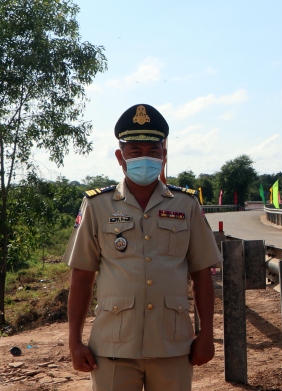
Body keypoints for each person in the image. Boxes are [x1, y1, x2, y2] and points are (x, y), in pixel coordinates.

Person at [64, 103, 222, 391]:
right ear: (120, 156)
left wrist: (206, 334)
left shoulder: (185, 204)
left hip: (173, 344)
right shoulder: (97, 205)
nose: (145, 158)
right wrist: (74, 342)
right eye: (135, 151)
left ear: (164, 155)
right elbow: (82, 276)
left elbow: (201, 273)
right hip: (113, 346)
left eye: (153, 151)